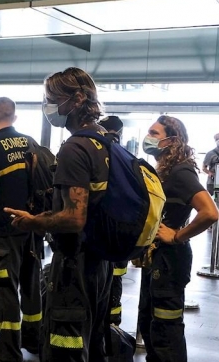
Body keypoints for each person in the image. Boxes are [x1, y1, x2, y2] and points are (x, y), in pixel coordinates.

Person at [9, 67, 112, 361]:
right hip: (99, 260)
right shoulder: (103, 139)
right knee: (91, 342)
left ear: (78, 99)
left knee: (64, 345)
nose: (48, 107)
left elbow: (73, 217)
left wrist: (34, 221)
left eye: (52, 99)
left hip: (74, 266)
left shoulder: (75, 148)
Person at [138, 116, 218, 361]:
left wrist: (176, 236)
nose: (148, 137)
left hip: (170, 260)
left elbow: (210, 212)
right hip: (157, 259)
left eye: (154, 132)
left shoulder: (179, 171)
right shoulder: (162, 170)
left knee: (166, 333)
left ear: (171, 140)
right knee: (149, 324)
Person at [0, 97, 43, 362]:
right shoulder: (31, 143)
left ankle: (9, 353)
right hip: (34, 227)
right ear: (14, 117)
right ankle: (34, 340)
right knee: (31, 285)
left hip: (6, 230)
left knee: (4, 291)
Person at [99, 115, 128, 326]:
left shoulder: (96, 151)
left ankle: (103, 322)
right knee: (115, 279)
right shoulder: (126, 156)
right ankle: (113, 321)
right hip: (121, 230)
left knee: (100, 280)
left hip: (101, 229)